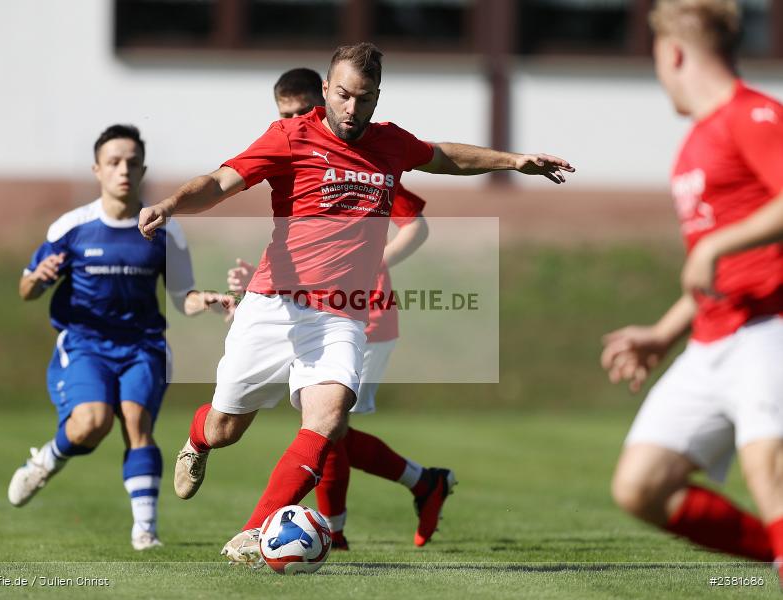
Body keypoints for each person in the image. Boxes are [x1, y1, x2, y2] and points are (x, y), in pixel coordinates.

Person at [139, 42, 573, 566]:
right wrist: (169, 204)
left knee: (329, 415)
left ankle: (254, 533)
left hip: (341, 312)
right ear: (325, 91)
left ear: (376, 98)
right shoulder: (290, 135)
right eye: (342, 95)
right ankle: (198, 442)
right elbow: (220, 182)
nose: (351, 109)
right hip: (273, 304)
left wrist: (514, 161)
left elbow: (444, 156)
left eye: (362, 99)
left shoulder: (389, 144)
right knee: (226, 427)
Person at [222, 67, 450, 550]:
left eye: (302, 112)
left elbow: (417, 226)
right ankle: (419, 485)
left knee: (328, 424)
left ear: (320, 104)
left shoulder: (366, 155)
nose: (294, 122)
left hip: (361, 310)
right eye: (284, 115)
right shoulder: (295, 149)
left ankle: (342, 527)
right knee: (329, 427)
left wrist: (370, 264)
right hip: (308, 307)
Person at [601, 0, 783, 574]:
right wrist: (662, 333)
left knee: (767, 471)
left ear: (673, 53)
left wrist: (712, 246)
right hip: (711, 340)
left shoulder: (753, 116)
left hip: (769, 328)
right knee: (641, 485)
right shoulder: (695, 144)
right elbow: (718, 271)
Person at [7, 124, 234, 550]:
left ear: (143, 169)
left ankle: (145, 531)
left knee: (136, 423)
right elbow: (26, 289)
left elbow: (182, 295)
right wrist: (38, 279)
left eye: (132, 162)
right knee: (90, 425)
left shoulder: (165, 229)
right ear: (97, 169)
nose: (123, 170)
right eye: (113, 162)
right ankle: (48, 460)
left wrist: (209, 300)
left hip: (142, 346)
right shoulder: (71, 227)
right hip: (85, 345)